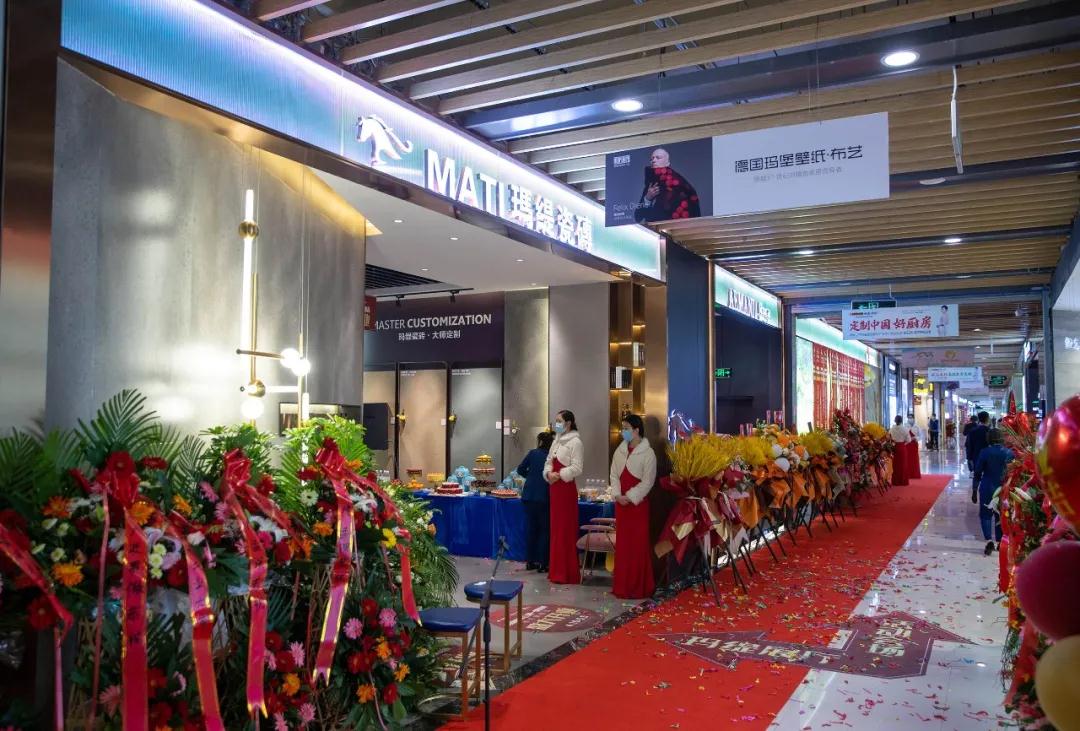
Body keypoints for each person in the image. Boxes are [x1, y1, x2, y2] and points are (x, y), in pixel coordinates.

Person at [607, 414, 656, 599]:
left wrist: (630, 496)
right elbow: (613, 475)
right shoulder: (619, 451)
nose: (623, 431)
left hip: (637, 506)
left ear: (636, 430)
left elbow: (648, 481)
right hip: (621, 505)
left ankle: (637, 587)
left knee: (637, 546)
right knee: (623, 546)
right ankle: (622, 586)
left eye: (626, 428)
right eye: (623, 428)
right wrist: (617, 495)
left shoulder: (648, 453)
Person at [544, 410, 583, 585]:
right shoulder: (556, 441)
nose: (556, 424)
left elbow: (577, 468)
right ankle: (556, 571)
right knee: (556, 530)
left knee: (565, 530)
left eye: (559, 421)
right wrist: (548, 474)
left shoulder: (576, 442)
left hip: (566, 489)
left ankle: (566, 572)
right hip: (554, 488)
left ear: (568, 423)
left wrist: (559, 474)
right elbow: (548, 462)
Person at [518, 431, 555, 572]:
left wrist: (530, 477)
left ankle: (530, 561)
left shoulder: (533, 453)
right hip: (544, 497)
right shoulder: (551, 457)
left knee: (531, 530)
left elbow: (520, 469)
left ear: (540, 442)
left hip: (529, 496)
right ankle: (543, 563)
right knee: (544, 531)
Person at [633, 148, 701, 223]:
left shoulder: (680, 184)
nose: (653, 160)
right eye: (652, 158)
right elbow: (638, 217)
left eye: (658, 158)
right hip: (653, 228)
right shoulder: (651, 184)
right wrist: (648, 198)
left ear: (668, 163)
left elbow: (694, 214)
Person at [973, 429, 1013, 555]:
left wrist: (974, 489)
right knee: (1000, 515)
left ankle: (989, 541)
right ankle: (1000, 542)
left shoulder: (984, 452)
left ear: (989, 438)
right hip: (1003, 488)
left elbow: (978, 472)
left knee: (985, 515)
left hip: (987, 486)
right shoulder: (1009, 453)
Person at [966, 411, 991, 500]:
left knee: (977, 474)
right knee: (987, 474)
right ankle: (985, 491)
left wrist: (969, 458)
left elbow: (969, 445)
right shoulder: (989, 431)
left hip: (976, 456)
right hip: (988, 456)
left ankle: (975, 490)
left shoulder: (973, 431)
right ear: (987, 419)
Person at [888, 415, 910, 486]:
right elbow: (909, 440)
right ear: (901, 421)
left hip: (894, 448)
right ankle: (903, 481)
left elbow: (889, 438)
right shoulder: (905, 429)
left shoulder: (891, 429)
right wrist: (903, 443)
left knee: (895, 465)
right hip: (902, 447)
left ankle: (895, 481)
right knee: (903, 464)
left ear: (895, 421)